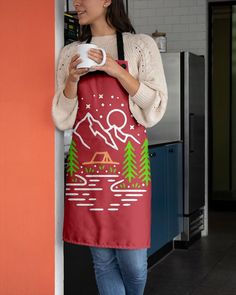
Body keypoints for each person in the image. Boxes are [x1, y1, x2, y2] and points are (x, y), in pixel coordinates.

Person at [52, 0, 168, 294]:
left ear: (107, 0)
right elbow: (62, 116)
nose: (76, 3)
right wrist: (72, 82)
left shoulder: (140, 46)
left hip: (128, 174)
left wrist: (116, 70)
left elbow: (155, 106)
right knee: (102, 262)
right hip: (86, 174)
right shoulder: (69, 53)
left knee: (134, 263)